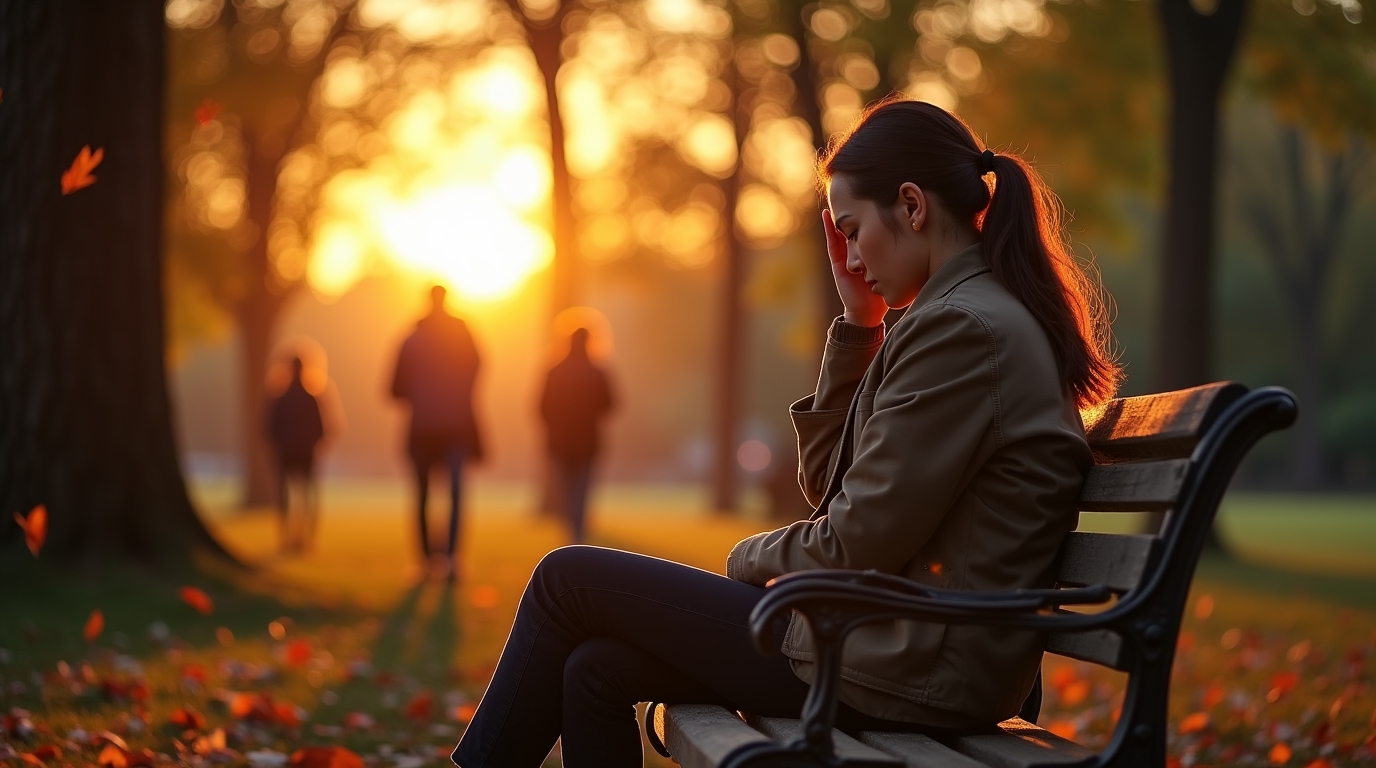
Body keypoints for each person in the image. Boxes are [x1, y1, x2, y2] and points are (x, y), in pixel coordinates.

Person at [450, 99, 1121, 767]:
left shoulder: (963, 329)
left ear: (912, 207)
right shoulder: (960, 314)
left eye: (855, 230)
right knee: (595, 667)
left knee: (567, 578)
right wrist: (859, 325)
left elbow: (853, 541)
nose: (852, 256)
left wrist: (744, 560)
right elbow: (832, 489)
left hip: (912, 666)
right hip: (902, 644)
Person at [391, 285, 483, 582]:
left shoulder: (411, 338)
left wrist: (421, 395)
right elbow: (479, 369)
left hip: (422, 427)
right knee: (455, 492)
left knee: (422, 494)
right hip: (456, 425)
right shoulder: (463, 335)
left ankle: (426, 561)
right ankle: (452, 558)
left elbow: (394, 387)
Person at [539, 327, 616, 544]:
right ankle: (577, 529)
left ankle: (571, 530)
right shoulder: (597, 372)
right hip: (587, 441)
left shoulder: (555, 371)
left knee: (565, 488)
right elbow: (610, 405)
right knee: (582, 488)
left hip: (560, 442)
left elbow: (541, 407)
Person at [267, 356, 326, 554]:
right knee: (306, 495)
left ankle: (287, 537)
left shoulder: (280, 398)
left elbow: (270, 428)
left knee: (285, 494)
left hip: (286, 450)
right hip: (305, 451)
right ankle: (303, 538)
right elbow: (321, 429)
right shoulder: (311, 398)